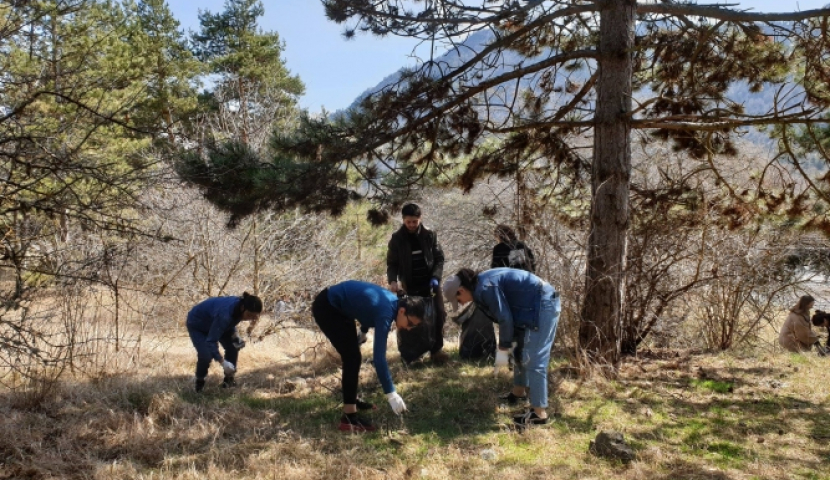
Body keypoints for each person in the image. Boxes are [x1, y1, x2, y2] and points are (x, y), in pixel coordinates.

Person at [443, 267, 560, 427]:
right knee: (520, 350)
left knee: (534, 359)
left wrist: (503, 346)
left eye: (458, 300)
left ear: (461, 290)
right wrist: (508, 345)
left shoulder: (485, 288)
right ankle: (518, 393)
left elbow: (504, 318)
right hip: (530, 307)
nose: (461, 304)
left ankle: (538, 414)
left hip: (543, 305)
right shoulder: (480, 286)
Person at [312, 280, 426, 432]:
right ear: (402, 312)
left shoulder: (393, 302)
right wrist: (391, 394)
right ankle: (349, 418)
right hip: (327, 307)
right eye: (410, 323)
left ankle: (351, 400)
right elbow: (379, 359)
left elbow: (366, 307)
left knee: (352, 357)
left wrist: (363, 332)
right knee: (352, 358)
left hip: (339, 308)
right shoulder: (386, 313)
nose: (409, 328)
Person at [386, 203, 449, 364]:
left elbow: (439, 258)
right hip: (410, 286)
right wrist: (393, 281)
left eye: (415, 221)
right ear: (403, 220)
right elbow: (392, 263)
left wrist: (436, 277)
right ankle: (413, 355)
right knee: (412, 319)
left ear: (420, 219)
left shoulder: (430, 235)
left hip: (431, 284)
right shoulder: (397, 238)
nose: (412, 225)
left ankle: (436, 351)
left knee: (439, 315)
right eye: (409, 222)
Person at [186, 292, 263, 392]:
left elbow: (232, 320)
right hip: (198, 324)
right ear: (242, 308)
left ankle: (229, 381)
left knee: (233, 346)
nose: (249, 318)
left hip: (215, 322)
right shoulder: (225, 314)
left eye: (253, 316)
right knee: (206, 355)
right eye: (249, 315)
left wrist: (235, 335)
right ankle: (199, 383)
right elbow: (211, 341)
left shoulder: (240, 306)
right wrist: (222, 362)